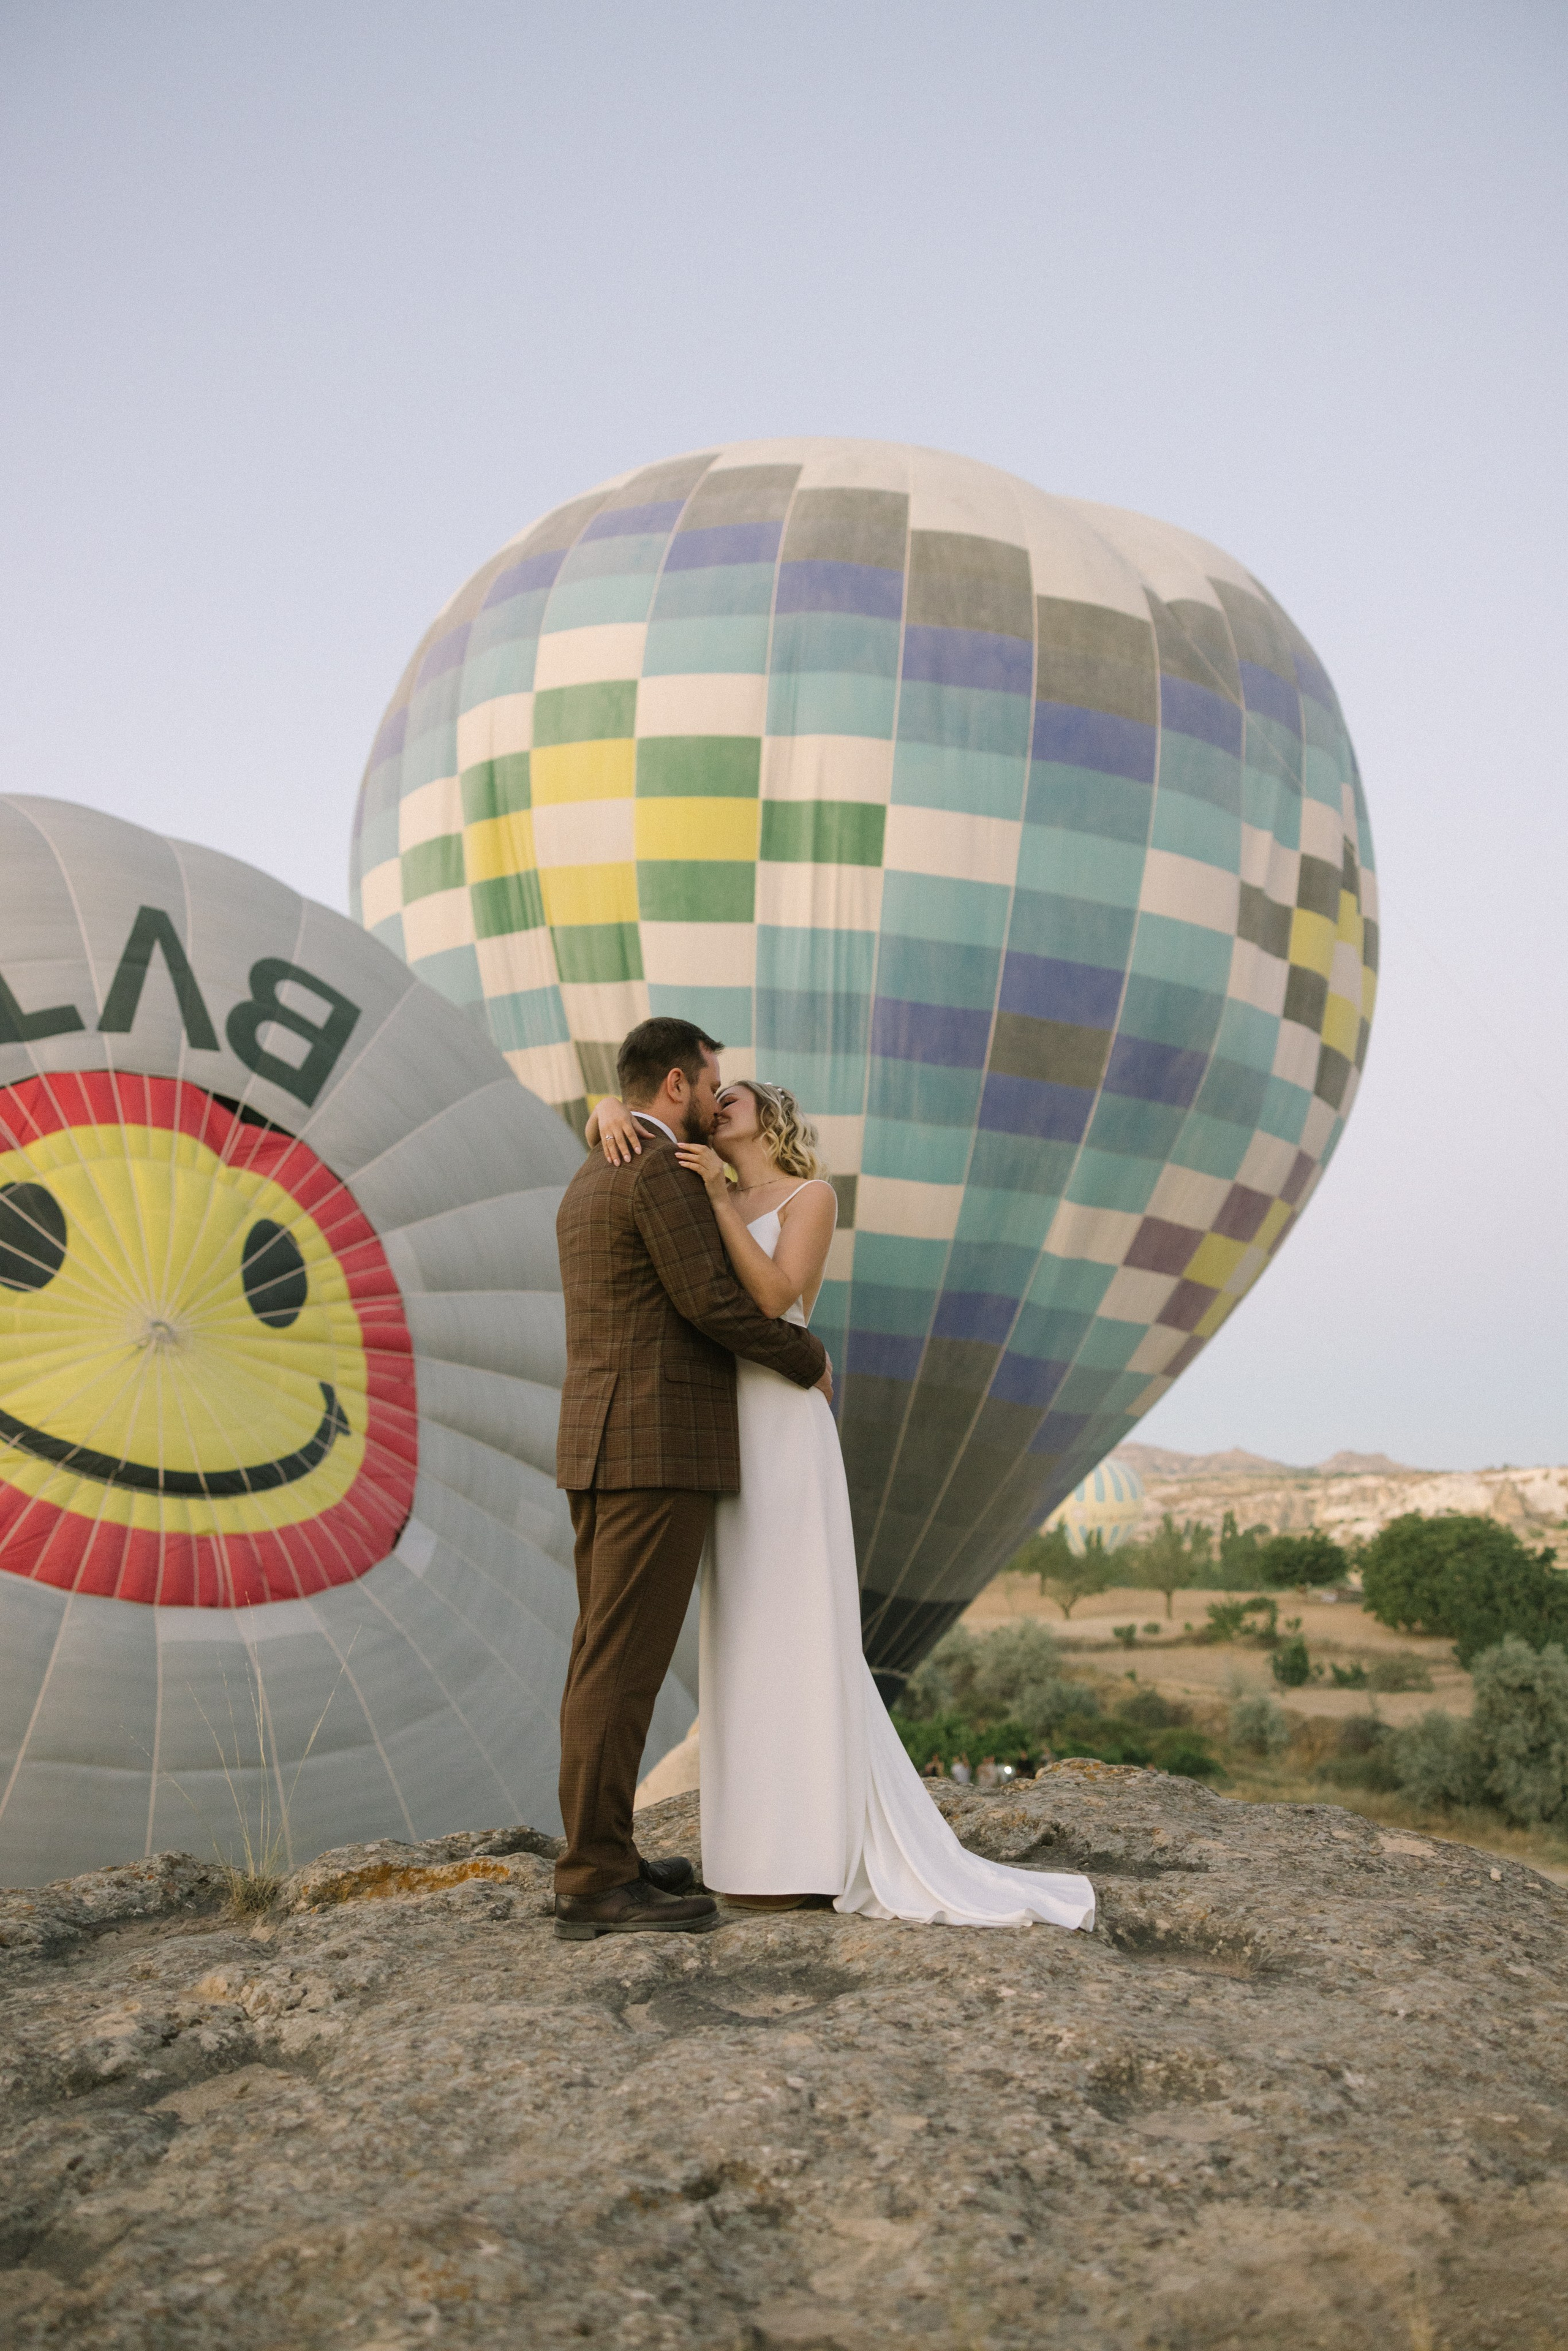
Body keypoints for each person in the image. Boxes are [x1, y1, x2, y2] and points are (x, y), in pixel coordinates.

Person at [585, 1071, 1095, 1933]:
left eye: (737, 1092)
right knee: (741, 1630)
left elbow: (776, 1299)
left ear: (770, 1115)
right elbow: (626, 1130)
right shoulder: (688, 1178)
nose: (722, 1098)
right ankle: (756, 1854)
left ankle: (817, 1848)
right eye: (715, 1091)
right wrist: (603, 1111)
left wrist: (716, 1199)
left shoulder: (808, 1195)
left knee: (796, 1623)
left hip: (783, 1426)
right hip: (721, 1427)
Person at [552, 1019, 830, 1941]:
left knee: (604, 1654)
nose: (721, 1097)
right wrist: (806, 1357)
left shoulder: (595, 1169)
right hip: (654, 1447)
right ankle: (594, 1878)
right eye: (711, 1083)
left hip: (601, 1441)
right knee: (623, 1668)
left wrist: (603, 1114)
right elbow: (712, 1303)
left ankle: (613, 1854)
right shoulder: (659, 1171)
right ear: (676, 1084)